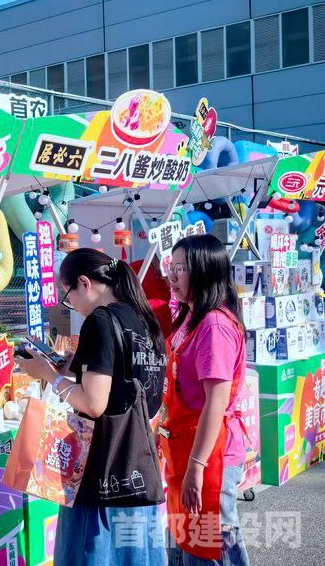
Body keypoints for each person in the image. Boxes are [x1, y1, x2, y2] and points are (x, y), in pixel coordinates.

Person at [18, 248, 167, 566]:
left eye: (68, 295)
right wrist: (74, 370)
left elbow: (94, 404)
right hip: (137, 466)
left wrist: (48, 376)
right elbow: (137, 392)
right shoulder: (142, 318)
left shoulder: (100, 321)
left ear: (84, 283)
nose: (70, 304)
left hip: (101, 471)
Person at [161, 235, 249, 566]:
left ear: (203, 270)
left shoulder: (214, 324)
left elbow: (216, 401)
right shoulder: (191, 315)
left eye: (179, 268)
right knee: (189, 537)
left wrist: (197, 466)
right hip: (187, 447)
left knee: (212, 540)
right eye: (171, 267)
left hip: (211, 454)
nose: (171, 276)